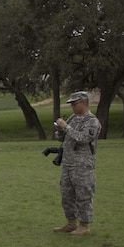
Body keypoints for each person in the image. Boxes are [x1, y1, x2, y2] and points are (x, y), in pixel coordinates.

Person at [53, 91, 100, 236]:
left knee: (83, 195)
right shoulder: (73, 119)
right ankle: (71, 222)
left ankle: (84, 225)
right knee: (66, 195)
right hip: (68, 164)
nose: (72, 106)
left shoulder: (92, 121)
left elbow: (83, 138)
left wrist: (66, 127)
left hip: (82, 165)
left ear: (84, 102)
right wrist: (60, 131)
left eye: (75, 103)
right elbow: (62, 139)